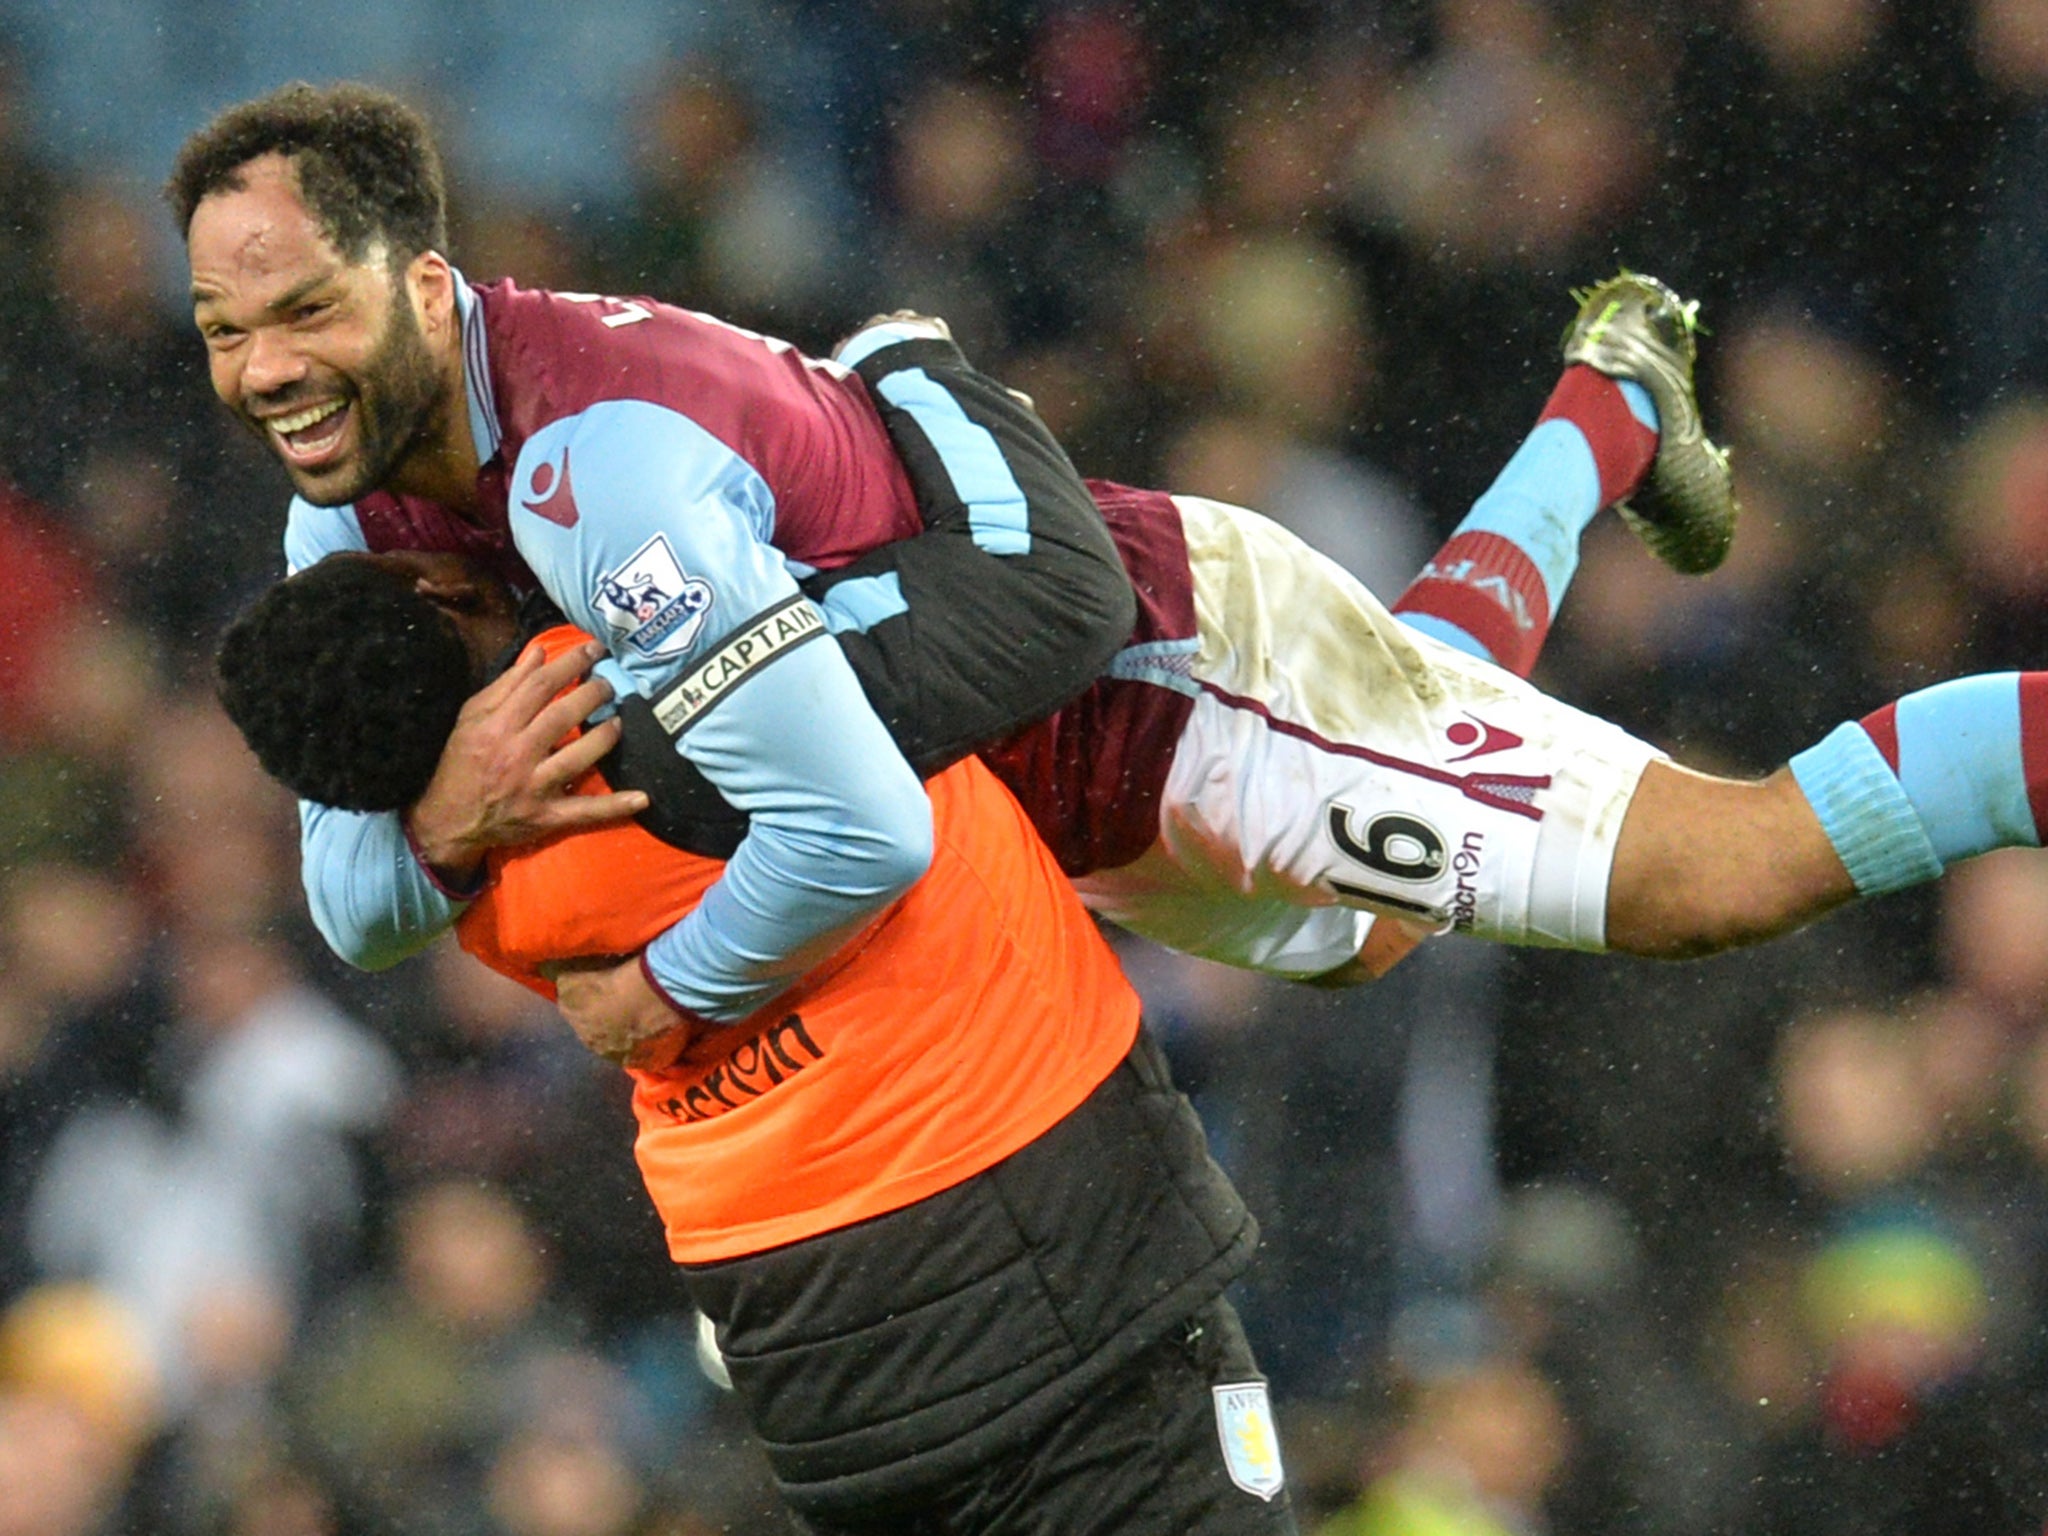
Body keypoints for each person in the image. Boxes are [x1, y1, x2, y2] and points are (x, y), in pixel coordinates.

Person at [175, 83, 2048, 1064]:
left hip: (1172, 680)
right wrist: (439, 811)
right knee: (1381, 915)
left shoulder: (599, 475)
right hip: (1077, 791)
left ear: (421, 285)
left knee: (1725, 874)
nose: (263, 369)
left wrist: (667, 988)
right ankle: (1606, 406)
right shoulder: (348, 494)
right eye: (219, 329)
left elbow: (852, 836)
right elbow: (348, 883)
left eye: (302, 311)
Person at [215, 548, 1295, 1535]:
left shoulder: (460, 889)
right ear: (438, 586)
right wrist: (908, 364)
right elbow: (1042, 599)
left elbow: (359, 905)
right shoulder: (664, 683)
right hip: (1026, 1227)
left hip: (799, 1338)